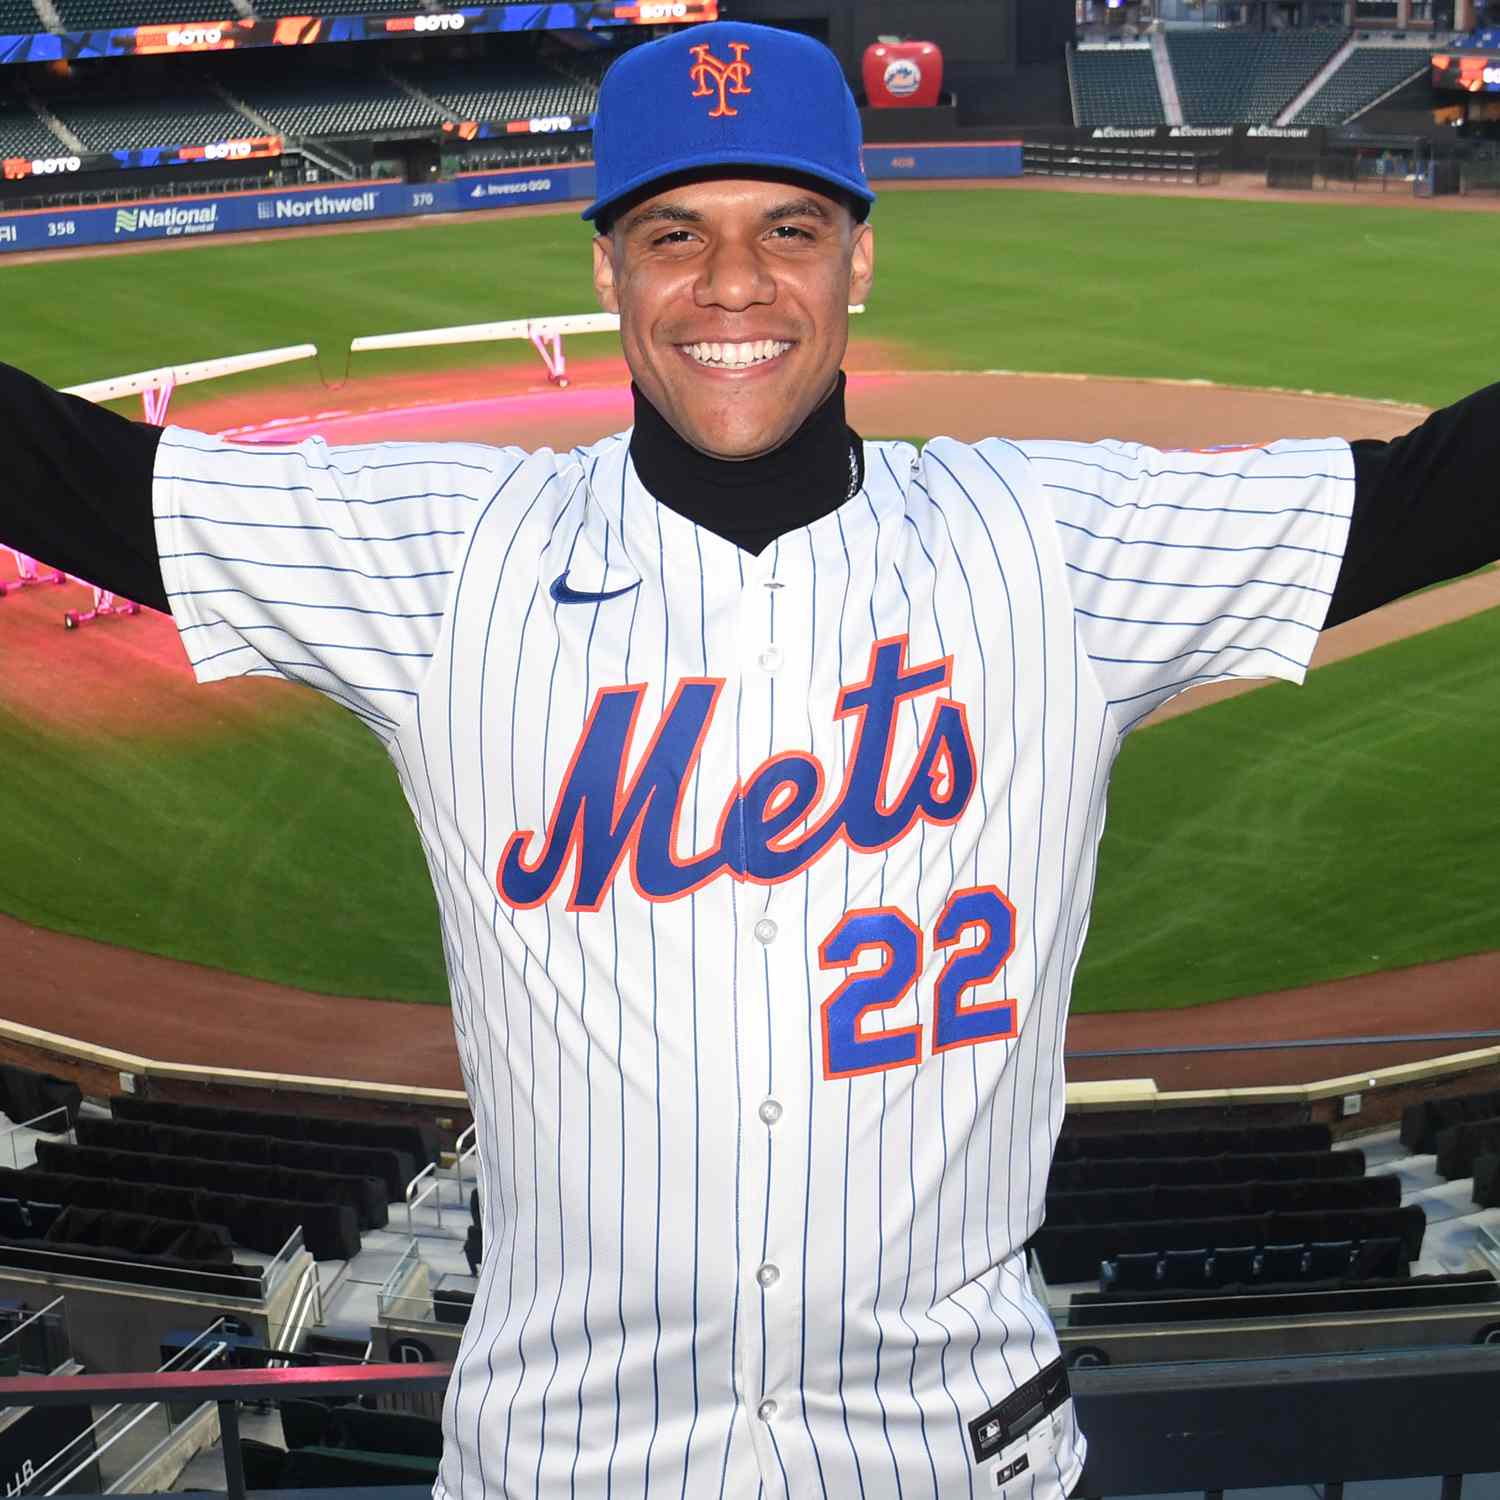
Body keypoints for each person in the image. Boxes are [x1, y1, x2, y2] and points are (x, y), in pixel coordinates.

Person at [2, 19, 1498, 1500]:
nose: (733, 284)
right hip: (563, 1471)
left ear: (860, 258)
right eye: (674, 232)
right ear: (606, 268)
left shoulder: (1055, 547)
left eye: (788, 226)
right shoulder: (447, 560)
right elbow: (72, 481)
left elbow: (1436, 494)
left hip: (953, 1465)